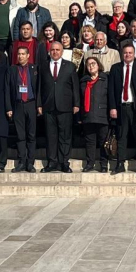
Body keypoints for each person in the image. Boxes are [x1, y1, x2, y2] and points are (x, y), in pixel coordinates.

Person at [108, 41, 136, 176]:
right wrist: (113, 107)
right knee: (121, 137)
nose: (128, 55)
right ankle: (120, 163)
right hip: (121, 107)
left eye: (130, 53)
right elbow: (111, 90)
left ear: (134, 54)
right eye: (125, 53)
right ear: (122, 54)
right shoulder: (115, 68)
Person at [38, 40, 80, 173]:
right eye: (53, 50)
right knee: (50, 136)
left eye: (57, 50)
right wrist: (39, 104)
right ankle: (52, 162)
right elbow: (39, 86)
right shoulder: (43, 66)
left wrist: (76, 103)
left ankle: (64, 162)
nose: (55, 52)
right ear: (49, 52)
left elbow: (75, 86)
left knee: (65, 136)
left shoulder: (70, 66)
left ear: (62, 52)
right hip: (48, 106)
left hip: (65, 106)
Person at [8, 46, 38, 172]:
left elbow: (39, 88)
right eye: (19, 54)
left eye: (23, 54)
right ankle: (21, 161)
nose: (20, 56)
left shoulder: (34, 69)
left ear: (28, 55)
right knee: (20, 135)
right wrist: (9, 107)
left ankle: (30, 163)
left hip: (31, 104)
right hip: (18, 104)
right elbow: (7, 89)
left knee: (31, 135)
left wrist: (39, 105)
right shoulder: (12, 69)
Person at [79, 56, 109, 172]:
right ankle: (90, 163)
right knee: (90, 142)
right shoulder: (83, 81)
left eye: (93, 63)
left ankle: (104, 164)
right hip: (88, 115)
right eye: (89, 64)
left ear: (98, 65)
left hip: (103, 115)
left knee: (103, 141)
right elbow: (80, 99)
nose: (91, 66)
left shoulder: (105, 79)